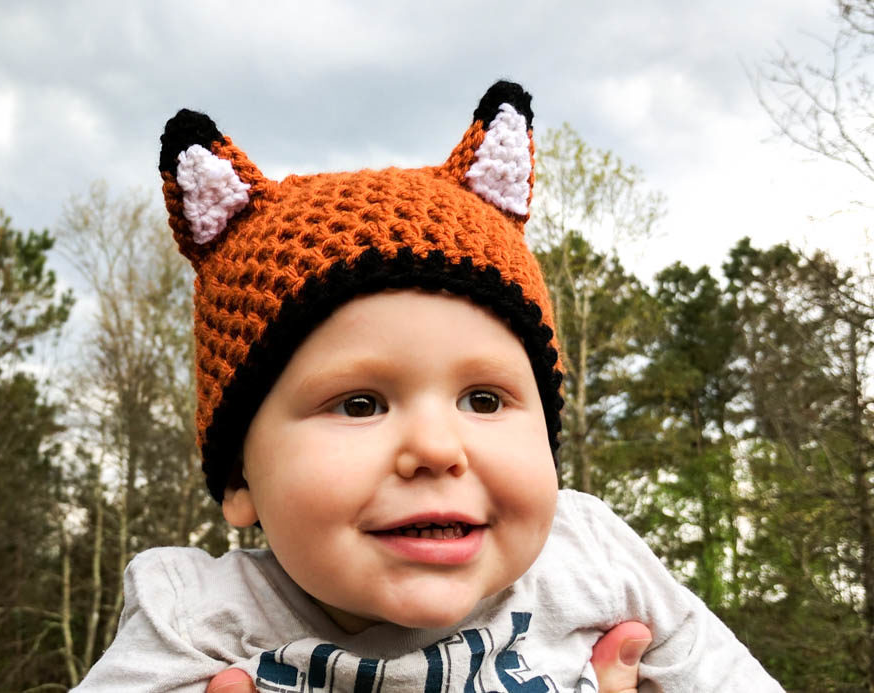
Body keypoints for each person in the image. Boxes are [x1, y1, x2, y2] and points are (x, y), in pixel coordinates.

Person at [75, 81, 782, 691]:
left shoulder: (590, 556)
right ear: (239, 480)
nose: (438, 448)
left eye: (483, 399)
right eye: (359, 403)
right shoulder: (198, 616)